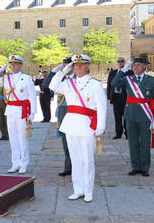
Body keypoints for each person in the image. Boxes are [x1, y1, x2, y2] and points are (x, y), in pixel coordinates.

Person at [49, 54, 107, 203]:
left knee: (87, 160)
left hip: (88, 126)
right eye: (76, 65)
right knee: (75, 160)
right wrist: (63, 70)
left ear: (87, 66)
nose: (79, 68)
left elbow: (102, 106)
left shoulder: (95, 84)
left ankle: (88, 191)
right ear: (73, 67)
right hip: (71, 125)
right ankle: (78, 189)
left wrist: (100, 126)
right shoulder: (68, 83)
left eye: (82, 65)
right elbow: (52, 86)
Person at [111, 57, 154, 177]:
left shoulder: (151, 80)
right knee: (132, 142)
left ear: (145, 67)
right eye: (134, 65)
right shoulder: (128, 79)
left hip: (145, 116)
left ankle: (144, 167)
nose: (136, 67)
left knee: (144, 143)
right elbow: (114, 83)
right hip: (131, 115)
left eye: (138, 65)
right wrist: (123, 70)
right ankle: (135, 167)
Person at [0, 55, 37, 174]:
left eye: (15, 64)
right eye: (11, 64)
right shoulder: (6, 78)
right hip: (10, 111)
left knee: (22, 139)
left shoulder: (26, 78)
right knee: (13, 139)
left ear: (20, 65)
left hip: (22, 112)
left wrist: (32, 114)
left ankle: (24, 163)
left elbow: (32, 97)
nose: (13, 66)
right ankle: (15, 163)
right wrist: (1, 69)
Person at [42, 57, 73, 177]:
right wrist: (57, 69)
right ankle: (68, 166)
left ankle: (75, 165)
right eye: (65, 64)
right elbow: (46, 84)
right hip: (62, 112)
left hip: (73, 111)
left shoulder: (77, 78)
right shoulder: (60, 78)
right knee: (65, 141)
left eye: (68, 64)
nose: (67, 66)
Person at [107, 57, 133, 139]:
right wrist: (109, 96)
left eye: (121, 61)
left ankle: (128, 133)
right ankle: (118, 133)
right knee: (117, 117)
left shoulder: (130, 72)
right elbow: (109, 85)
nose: (120, 63)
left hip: (126, 97)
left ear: (124, 62)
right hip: (116, 97)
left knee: (126, 116)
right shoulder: (113, 73)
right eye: (118, 61)